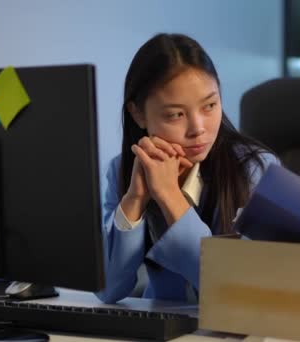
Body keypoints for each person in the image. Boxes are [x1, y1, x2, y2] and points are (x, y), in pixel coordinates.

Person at [96, 33, 281, 304]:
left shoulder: (255, 169)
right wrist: (134, 200)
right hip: (161, 328)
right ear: (138, 114)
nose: (198, 129)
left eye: (210, 106)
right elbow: (108, 290)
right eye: (175, 114)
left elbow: (238, 292)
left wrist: (170, 197)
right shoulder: (123, 169)